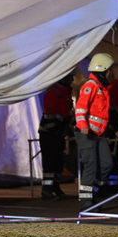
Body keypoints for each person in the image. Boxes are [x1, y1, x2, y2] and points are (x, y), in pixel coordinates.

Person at [75, 52, 115, 211]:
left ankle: (92, 192)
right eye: (109, 70)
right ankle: (86, 203)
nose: (110, 73)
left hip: (98, 134)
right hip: (86, 133)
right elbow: (80, 108)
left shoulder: (101, 87)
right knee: (90, 166)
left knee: (107, 164)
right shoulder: (90, 86)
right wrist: (83, 125)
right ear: (103, 70)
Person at [38, 72, 74, 200]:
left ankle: (56, 187)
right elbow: (49, 116)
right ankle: (46, 191)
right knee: (50, 162)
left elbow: (67, 113)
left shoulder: (66, 92)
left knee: (59, 162)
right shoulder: (54, 92)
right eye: (70, 77)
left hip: (58, 131)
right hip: (49, 133)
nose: (72, 79)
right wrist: (54, 132)